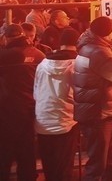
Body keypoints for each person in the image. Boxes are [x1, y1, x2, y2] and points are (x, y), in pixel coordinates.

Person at [72, 16, 112, 181]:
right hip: (98, 114)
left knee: (110, 162)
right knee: (98, 165)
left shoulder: (87, 47)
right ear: (109, 32)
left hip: (99, 113)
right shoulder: (99, 52)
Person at [34, 28, 81, 181]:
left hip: (43, 121)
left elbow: (36, 91)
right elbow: (79, 94)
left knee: (50, 167)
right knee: (64, 169)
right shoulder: (77, 64)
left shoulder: (42, 63)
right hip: (66, 122)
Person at [0, 23, 46, 181]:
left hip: (7, 109)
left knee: (4, 151)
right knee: (26, 150)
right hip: (31, 108)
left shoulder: (4, 56)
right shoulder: (39, 54)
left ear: (6, 38)